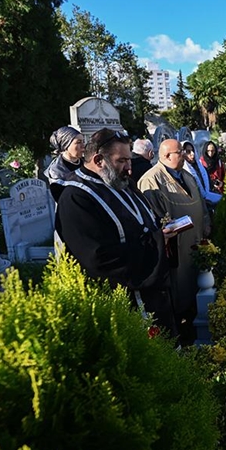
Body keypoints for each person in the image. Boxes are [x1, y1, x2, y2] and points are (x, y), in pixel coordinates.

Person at [54, 128, 177, 337]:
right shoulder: (76, 197)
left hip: (153, 294)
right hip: (124, 305)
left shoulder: (119, 183)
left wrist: (161, 233)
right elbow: (99, 259)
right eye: (122, 161)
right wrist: (156, 241)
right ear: (99, 160)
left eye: (129, 160)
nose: (129, 169)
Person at [138, 139, 210, 346]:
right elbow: (156, 216)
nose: (187, 156)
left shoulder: (186, 175)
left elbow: (200, 202)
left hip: (195, 241)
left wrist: (205, 220)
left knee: (196, 284)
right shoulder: (152, 179)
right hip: (176, 248)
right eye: (181, 152)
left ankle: (193, 320)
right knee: (179, 290)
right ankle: (181, 331)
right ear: (167, 156)